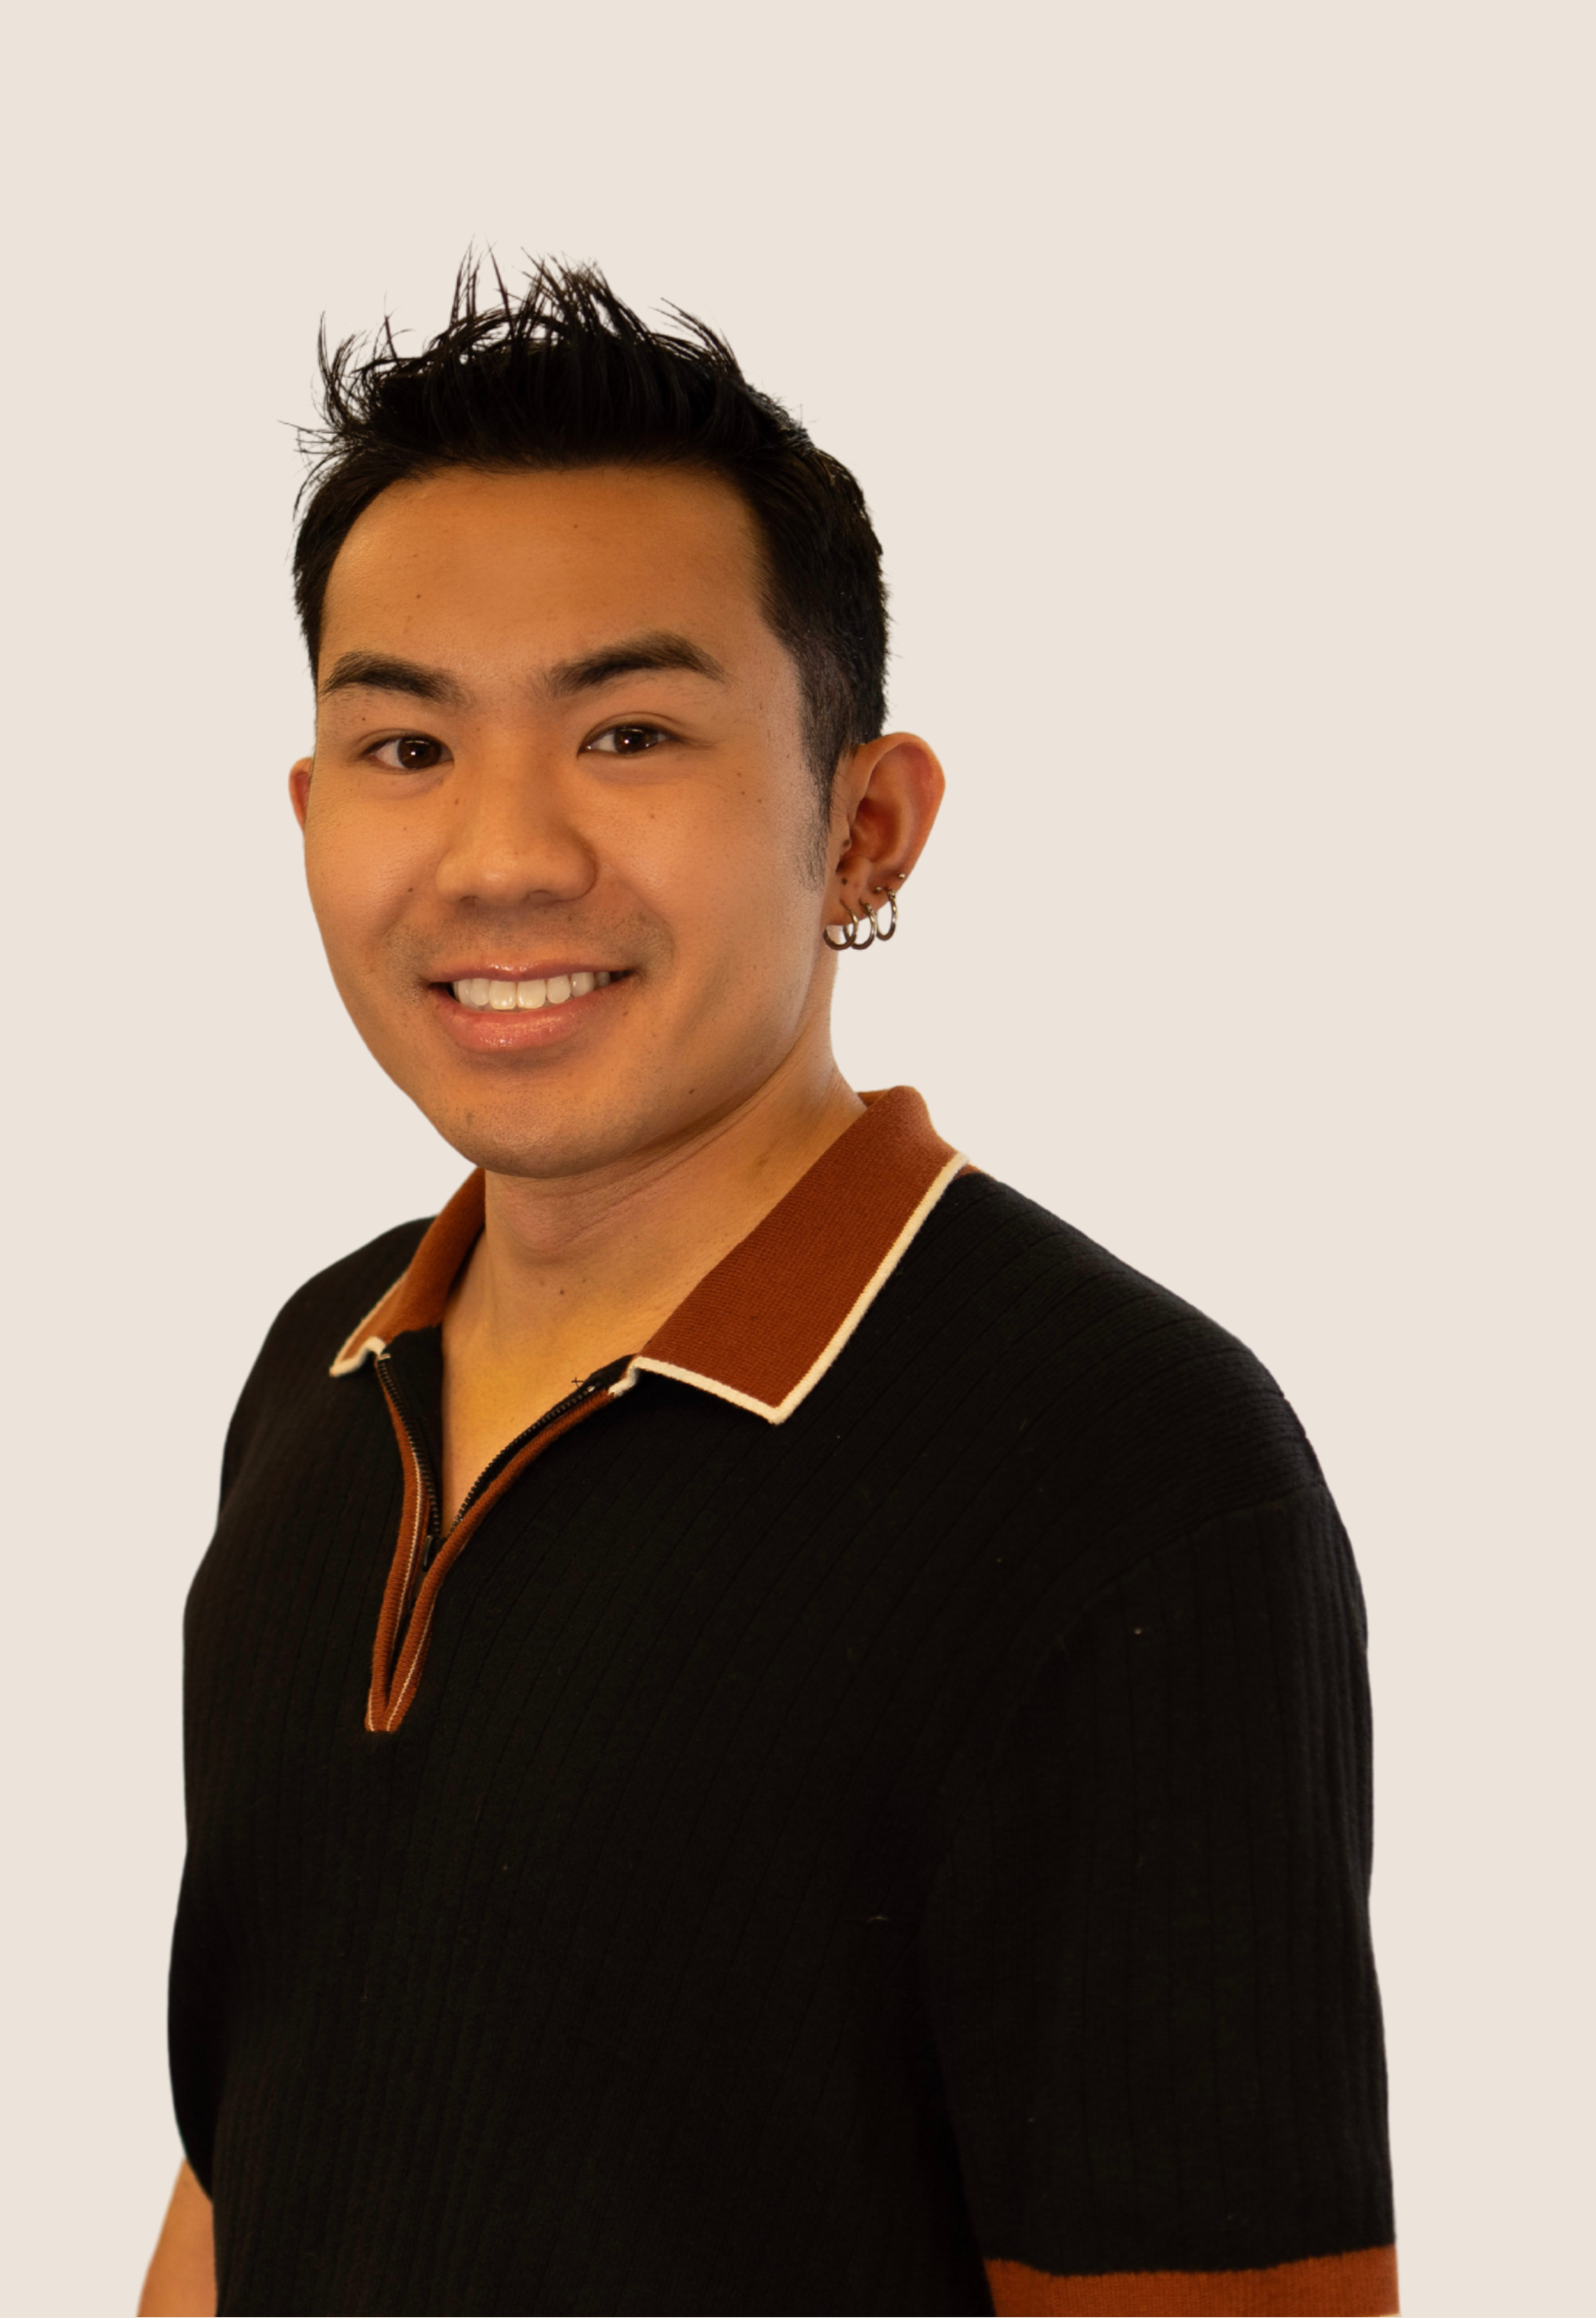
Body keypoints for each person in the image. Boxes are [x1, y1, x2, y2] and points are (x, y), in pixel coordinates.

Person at [138, 260, 1397, 2318]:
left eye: (628, 731)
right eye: (401, 747)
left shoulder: (1118, 1467)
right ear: (308, 818)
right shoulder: (326, 1369)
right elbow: (249, 2166)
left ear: (862, 829)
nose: (498, 856)